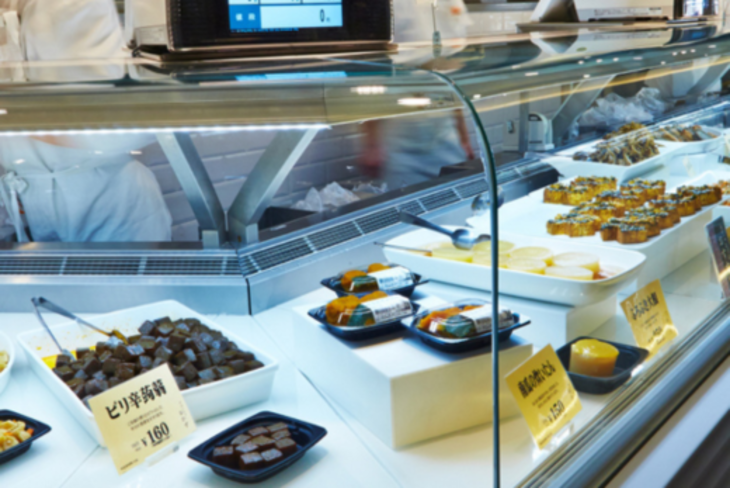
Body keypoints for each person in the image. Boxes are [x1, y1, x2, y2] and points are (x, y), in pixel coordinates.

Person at [0, 0, 172, 242]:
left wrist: (19, 118)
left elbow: (113, 127)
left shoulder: (74, 5)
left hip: (108, 201)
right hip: (28, 201)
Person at [360, 0, 476, 189]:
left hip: (445, 137)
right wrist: (372, 143)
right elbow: (373, 78)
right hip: (402, 139)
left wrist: (463, 137)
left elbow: (451, 80)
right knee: (407, 201)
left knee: (453, 197)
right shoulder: (391, 6)